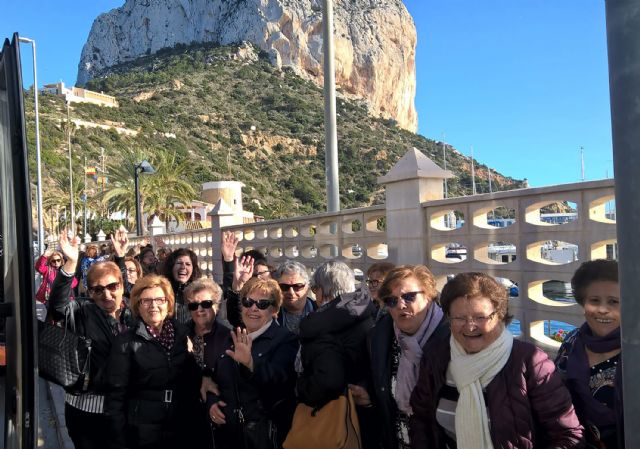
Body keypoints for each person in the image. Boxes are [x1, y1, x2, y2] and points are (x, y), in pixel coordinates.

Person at [409, 272, 584, 448]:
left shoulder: (530, 362)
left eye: (480, 317)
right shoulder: (437, 356)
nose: (470, 326)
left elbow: (568, 435)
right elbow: (421, 419)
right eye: (460, 317)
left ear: (499, 315)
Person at [48, 230, 135, 449]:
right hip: (86, 414)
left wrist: (121, 257)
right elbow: (57, 306)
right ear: (89, 291)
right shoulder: (80, 310)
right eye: (98, 289)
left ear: (122, 286)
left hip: (126, 409)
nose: (106, 295)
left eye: (113, 287)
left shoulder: (134, 312)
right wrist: (71, 262)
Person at [106, 274, 204, 449]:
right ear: (138, 305)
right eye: (146, 301)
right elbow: (115, 396)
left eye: (160, 299)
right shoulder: (125, 342)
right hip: (143, 431)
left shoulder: (183, 334)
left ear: (168, 303)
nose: (154, 306)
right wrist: (119, 440)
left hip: (181, 425)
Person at [357, 265, 447, 449]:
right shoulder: (379, 338)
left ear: (429, 295)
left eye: (409, 296)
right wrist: (369, 396)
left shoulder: (452, 338)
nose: (400, 305)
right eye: (391, 300)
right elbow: (383, 396)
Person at [206, 278, 299, 449]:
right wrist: (212, 401)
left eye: (263, 304)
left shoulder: (285, 340)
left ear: (274, 310)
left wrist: (250, 364)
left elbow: (280, 380)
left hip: (263, 436)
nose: (254, 308)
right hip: (227, 435)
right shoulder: (231, 336)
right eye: (248, 302)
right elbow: (216, 379)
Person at [296, 261, 375, 444]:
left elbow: (327, 381)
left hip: (333, 423)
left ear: (322, 290)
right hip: (369, 413)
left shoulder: (320, 326)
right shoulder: (368, 312)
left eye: (315, 289)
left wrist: (300, 387)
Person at [555, 259, 623, 449]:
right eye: (594, 301)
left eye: (613, 302)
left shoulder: (634, 350)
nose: (602, 309)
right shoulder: (571, 341)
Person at [273, 260, 317, 334]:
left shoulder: (320, 313)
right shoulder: (269, 316)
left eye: (297, 286)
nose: (291, 292)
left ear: (307, 287)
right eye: (284, 287)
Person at [161, 247, 202, 323]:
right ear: (171, 267)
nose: (183, 267)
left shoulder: (199, 291)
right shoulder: (162, 291)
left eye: (188, 264)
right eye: (179, 263)